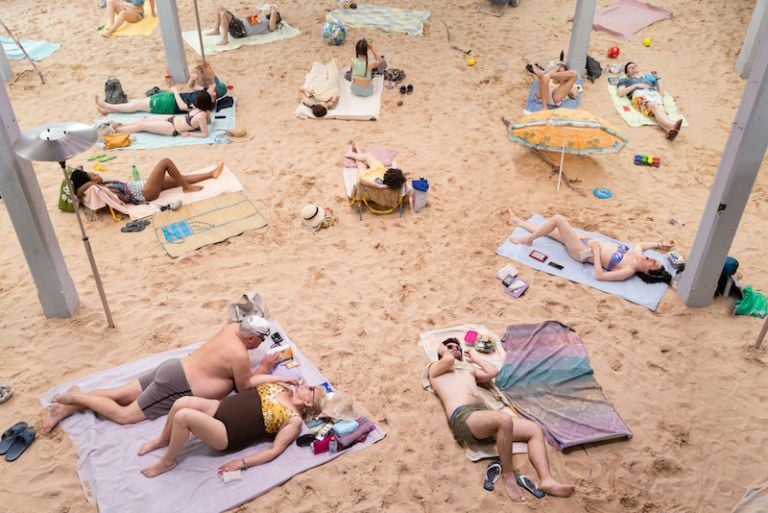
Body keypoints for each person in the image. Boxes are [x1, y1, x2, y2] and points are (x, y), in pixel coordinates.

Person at [43, 315, 282, 432]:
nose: (260, 345)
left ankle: (65, 407)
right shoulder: (239, 354)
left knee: (120, 394)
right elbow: (244, 388)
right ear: (249, 336)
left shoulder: (232, 328)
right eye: (259, 340)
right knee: (126, 415)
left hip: (174, 368)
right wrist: (264, 367)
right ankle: (75, 398)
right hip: (177, 384)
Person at [428, 338, 575, 503]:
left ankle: (546, 480)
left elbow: (492, 372)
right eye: (450, 347)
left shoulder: (468, 371)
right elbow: (447, 360)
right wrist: (442, 349)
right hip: (463, 417)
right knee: (503, 419)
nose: (454, 349)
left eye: (457, 347)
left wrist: (475, 358)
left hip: (483, 418)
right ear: (441, 352)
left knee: (534, 429)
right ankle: (508, 474)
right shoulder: (436, 369)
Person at [138, 377, 325, 477]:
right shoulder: (283, 388)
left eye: (311, 390)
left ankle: (168, 461)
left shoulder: (293, 420)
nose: (307, 385)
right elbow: (254, 380)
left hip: (227, 433)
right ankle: (163, 439)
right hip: (218, 407)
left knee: (183, 417)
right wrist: (285, 378)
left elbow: (274, 450)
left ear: (309, 404)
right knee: (182, 402)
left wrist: (242, 463)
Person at [507, 210, 675, 284]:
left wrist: (595, 252)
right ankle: (518, 222)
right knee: (552, 231)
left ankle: (526, 240)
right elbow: (640, 244)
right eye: (655, 261)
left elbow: (599, 276)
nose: (652, 259)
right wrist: (661, 244)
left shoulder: (628, 270)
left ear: (647, 272)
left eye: (653, 264)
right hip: (588, 242)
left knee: (558, 219)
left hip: (583, 252)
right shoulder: (636, 255)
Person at [69, 158, 224, 205]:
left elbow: (82, 188)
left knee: (176, 178)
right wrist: (91, 184)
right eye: (92, 175)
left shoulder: (102, 185)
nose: (96, 174)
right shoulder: (103, 190)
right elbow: (80, 191)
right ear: (89, 183)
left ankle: (211, 173)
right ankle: (187, 188)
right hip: (145, 193)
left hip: (143, 186)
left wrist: (93, 182)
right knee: (165, 162)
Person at [617, 62, 683, 141]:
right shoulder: (625, 80)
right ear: (627, 73)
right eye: (631, 67)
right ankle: (671, 124)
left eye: (635, 66)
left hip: (654, 94)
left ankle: (669, 131)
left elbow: (661, 92)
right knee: (655, 106)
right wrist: (636, 85)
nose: (634, 68)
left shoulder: (648, 77)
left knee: (659, 111)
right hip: (639, 94)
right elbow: (620, 93)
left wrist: (657, 78)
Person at [106, 90, 214, 138]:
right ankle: (120, 124)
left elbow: (205, 134)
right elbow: (184, 107)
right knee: (143, 121)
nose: (193, 102)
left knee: (142, 126)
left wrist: (189, 134)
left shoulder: (201, 116)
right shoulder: (199, 110)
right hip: (172, 118)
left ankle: (116, 131)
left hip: (172, 127)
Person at [345, 140, 414, 211]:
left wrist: (379, 186)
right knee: (367, 157)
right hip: (378, 171)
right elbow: (411, 192)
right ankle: (357, 150)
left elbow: (361, 180)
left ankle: (351, 152)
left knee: (361, 163)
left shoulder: (377, 183)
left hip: (368, 175)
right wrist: (412, 210)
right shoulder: (399, 184)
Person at [96, 83, 220, 117]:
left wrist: (175, 91)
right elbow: (191, 85)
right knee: (138, 104)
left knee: (137, 105)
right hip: (169, 98)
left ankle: (107, 106)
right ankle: (107, 111)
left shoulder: (202, 100)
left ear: (213, 95)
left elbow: (184, 107)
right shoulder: (204, 95)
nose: (210, 85)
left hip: (169, 104)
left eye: (213, 87)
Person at [208, 5, 282, 46]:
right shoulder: (263, 18)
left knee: (223, 13)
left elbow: (273, 27)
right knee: (220, 8)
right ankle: (216, 30)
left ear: (276, 21)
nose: (274, 15)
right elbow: (251, 20)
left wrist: (274, 11)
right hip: (239, 23)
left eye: (276, 17)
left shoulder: (270, 26)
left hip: (240, 31)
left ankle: (225, 39)